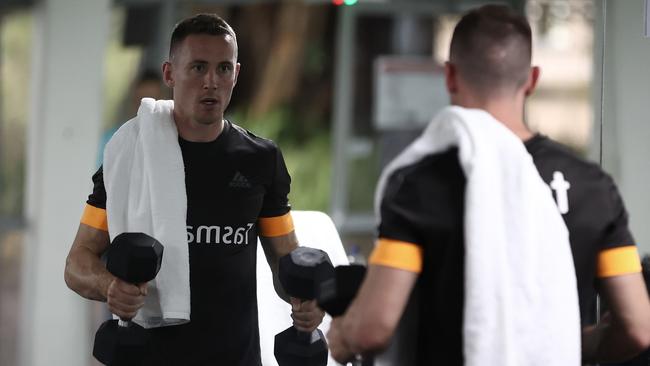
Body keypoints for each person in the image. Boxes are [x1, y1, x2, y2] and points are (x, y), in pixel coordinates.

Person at [327, 4, 650, 365]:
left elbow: (374, 328)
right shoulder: (593, 187)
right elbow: (638, 327)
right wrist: (564, 346)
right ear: (532, 79)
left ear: (449, 75)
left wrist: (342, 335)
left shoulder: (420, 184)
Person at [64, 14, 323, 365]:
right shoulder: (131, 156)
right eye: (198, 68)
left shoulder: (261, 159)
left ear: (237, 74)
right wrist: (110, 286)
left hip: (236, 356)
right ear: (170, 73)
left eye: (223, 69)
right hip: (151, 356)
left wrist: (303, 299)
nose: (211, 82)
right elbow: (77, 263)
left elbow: (285, 261)